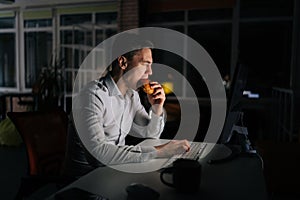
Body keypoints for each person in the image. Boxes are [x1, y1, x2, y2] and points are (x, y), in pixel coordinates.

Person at [63, 33, 190, 179]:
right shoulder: (92, 96)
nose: (150, 72)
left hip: (113, 175)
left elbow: (150, 134)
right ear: (123, 63)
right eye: (145, 64)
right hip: (85, 184)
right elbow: (97, 156)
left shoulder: (132, 96)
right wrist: (161, 151)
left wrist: (156, 107)